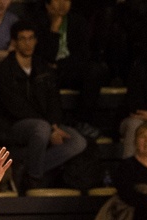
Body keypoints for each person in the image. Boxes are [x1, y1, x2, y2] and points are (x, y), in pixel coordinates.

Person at [0, 21, 86, 192]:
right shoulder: (5, 69)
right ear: (15, 42)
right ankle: (34, 178)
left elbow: (54, 100)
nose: (28, 43)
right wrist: (49, 127)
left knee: (78, 142)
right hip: (14, 126)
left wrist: (54, 125)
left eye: (31, 38)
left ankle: (26, 165)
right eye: (23, 39)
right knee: (41, 128)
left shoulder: (43, 67)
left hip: (46, 123)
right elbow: (16, 107)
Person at [34, 0, 107, 140]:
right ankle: (54, 125)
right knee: (46, 76)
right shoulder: (38, 22)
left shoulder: (78, 21)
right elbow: (44, 57)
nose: (62, 4)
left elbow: (83, 55)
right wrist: (54, 30)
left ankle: (82, 121)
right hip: (47, 73)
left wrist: (59, 65)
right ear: (47, 4)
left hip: (68, 69)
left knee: (95, 71)